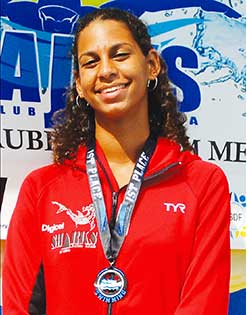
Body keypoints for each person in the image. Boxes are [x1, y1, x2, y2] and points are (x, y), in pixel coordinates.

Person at [2, 8, 231, 314]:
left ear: (151, 65)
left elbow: (205, 303)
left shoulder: (202, 183)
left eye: (119, 54)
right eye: (91, 62)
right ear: (80, 85)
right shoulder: (41, 189)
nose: (106, 70)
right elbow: (20, 305)